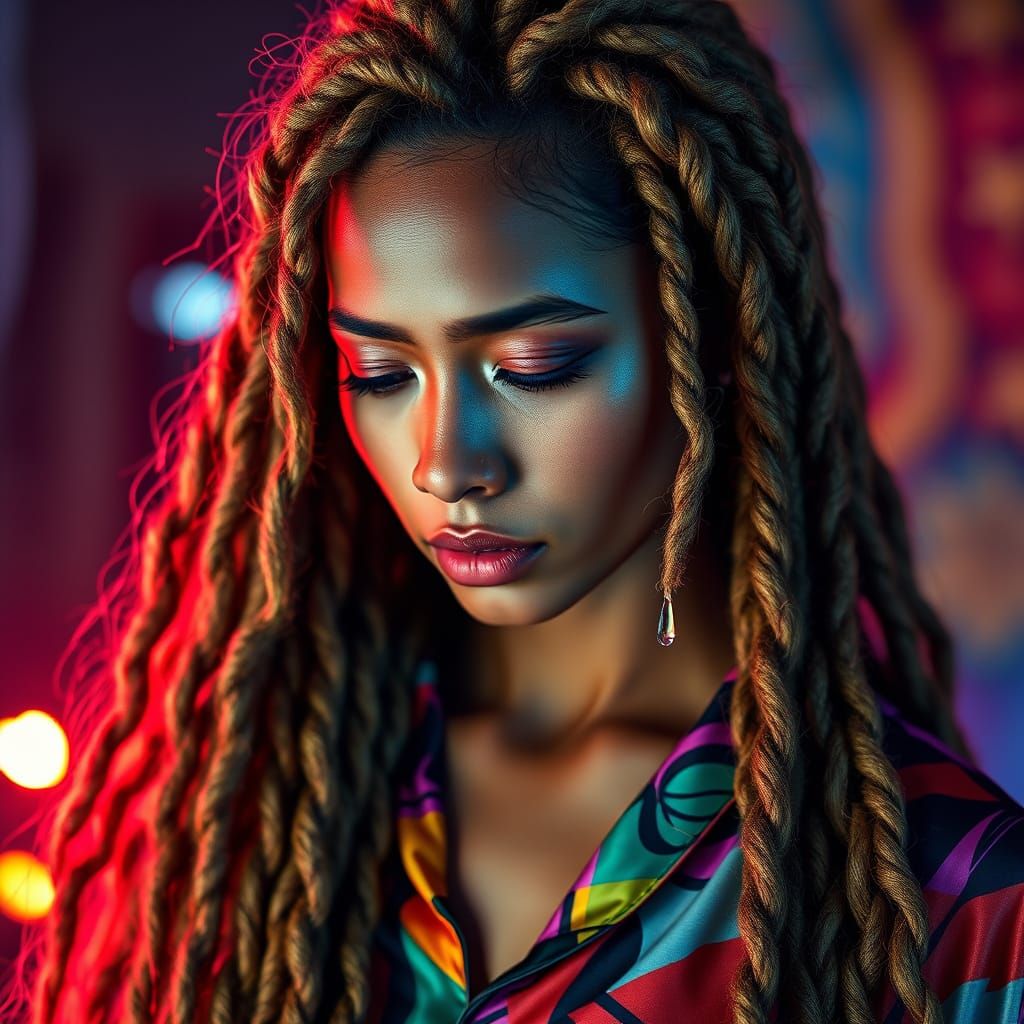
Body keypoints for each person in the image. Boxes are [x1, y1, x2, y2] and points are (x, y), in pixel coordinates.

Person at [6, 0, 1023, 1022]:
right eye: (379, 371)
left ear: (713, 336)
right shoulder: (249, 805)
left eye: (535, 366)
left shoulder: (956, 904)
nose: (448, 462)